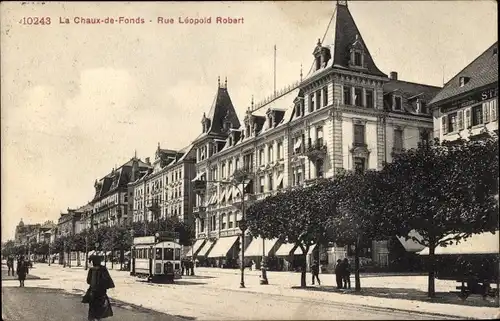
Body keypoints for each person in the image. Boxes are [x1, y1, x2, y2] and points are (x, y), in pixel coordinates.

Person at [86, 255, 115, 321]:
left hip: (92, 292)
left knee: (92, 307)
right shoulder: (103, 269)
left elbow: (88, 281)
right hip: (101, 292)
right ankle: (98, 318)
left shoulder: (91, 269)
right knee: (100, 307)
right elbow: (108, 280)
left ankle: (91, 318)